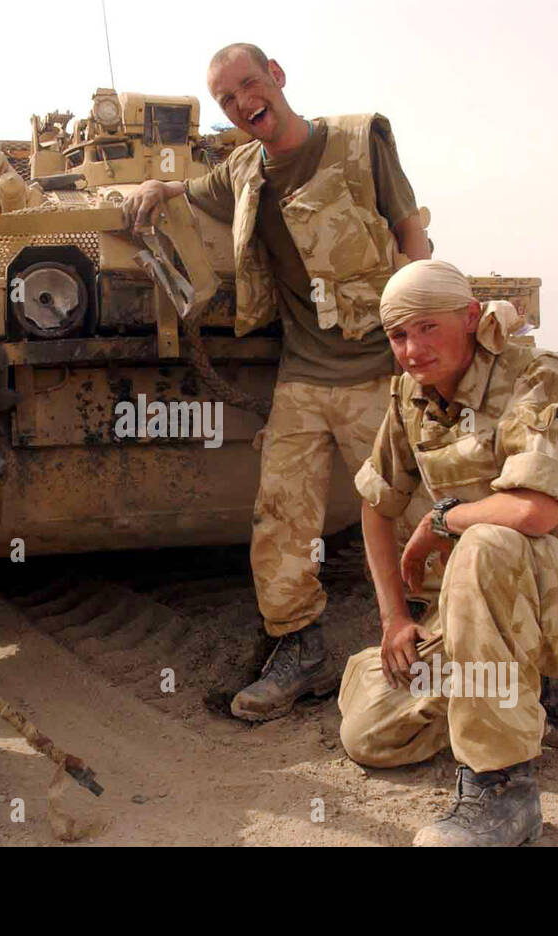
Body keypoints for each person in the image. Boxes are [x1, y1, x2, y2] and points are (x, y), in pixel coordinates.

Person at [124, 42, 431, 721]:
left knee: (411, 510)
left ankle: (451, 634)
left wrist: (416, 343)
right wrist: (161, 187)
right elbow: (196, 189)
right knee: (280, 518)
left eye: (248, 85)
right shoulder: (242, 169)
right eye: (226, 100)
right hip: (303, 376)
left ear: (277, 79)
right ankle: (298, 647)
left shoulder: (357, 140)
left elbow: (413, 236)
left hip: (374, 366)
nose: (241, 104)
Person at [338, 260, 558, 845]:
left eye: (427, 328)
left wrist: (443, 520)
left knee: (486, 542)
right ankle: (533, 688)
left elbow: (533, 511)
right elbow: (375, 502)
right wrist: (394, 619)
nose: (412, 349)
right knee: (371, 734)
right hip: (488, 608)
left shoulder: (539, 379)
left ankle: (500, 787)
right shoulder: (412, 393)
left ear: (468, 318)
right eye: (398, 334)